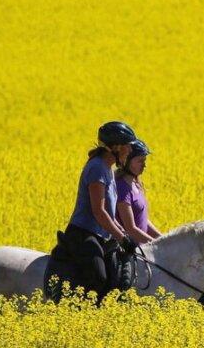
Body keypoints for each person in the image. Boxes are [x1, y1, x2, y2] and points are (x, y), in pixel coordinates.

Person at [59, 121, 140, 296]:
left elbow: (109, 214)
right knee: (98, 278)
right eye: (127, 147)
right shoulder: (96, 168)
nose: (130, 151)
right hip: (83, 234)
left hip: (101, 235)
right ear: (115, 147)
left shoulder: (108, 169)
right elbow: (99, 212)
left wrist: (124, 233)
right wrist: (122, 238)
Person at [115, 139, 164, 245]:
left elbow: (143, 220)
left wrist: (163, 240)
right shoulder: (122, 188)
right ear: (127, 162)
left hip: (142, 249)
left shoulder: (135, 184)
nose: (144, 165)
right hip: (130, 251)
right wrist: (156, 245)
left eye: (144, 161)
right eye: (140, 161)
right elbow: (130, 229)